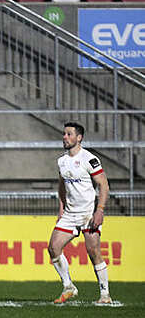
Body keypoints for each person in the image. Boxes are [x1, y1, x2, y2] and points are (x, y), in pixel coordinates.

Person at [48, 122, 112, 305]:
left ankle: (105, 294)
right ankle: (69, 287)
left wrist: (100, 210)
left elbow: (103, 185)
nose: (65, 137)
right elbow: (62, 187)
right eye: (64, 134)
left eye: (69, 134)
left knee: (93, 251)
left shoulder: (89, 159)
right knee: (53, 248)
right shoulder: (62, 161)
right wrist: (61, 209)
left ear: (79, 138)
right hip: (70, 214)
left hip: (88, 213)